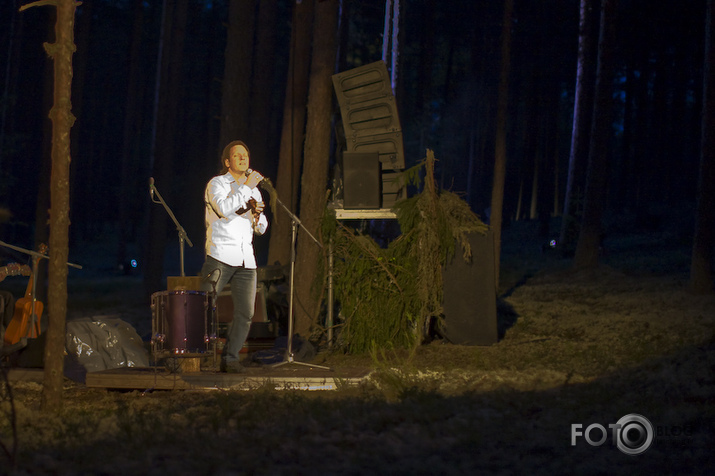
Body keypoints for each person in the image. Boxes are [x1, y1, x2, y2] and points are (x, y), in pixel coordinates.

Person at [200, 140, 268, 373]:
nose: (242, 158)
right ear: (227, 162)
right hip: (220, 255)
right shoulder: (217, 184)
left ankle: (230, 359)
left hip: (246, 260)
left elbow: (261, 229)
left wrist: (258, 217)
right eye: (237, 155)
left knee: (246, 313)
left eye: (245, 155)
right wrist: (247, 187)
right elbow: (224, 209)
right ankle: (195, 356)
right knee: (204, 306)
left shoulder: (255, 190)